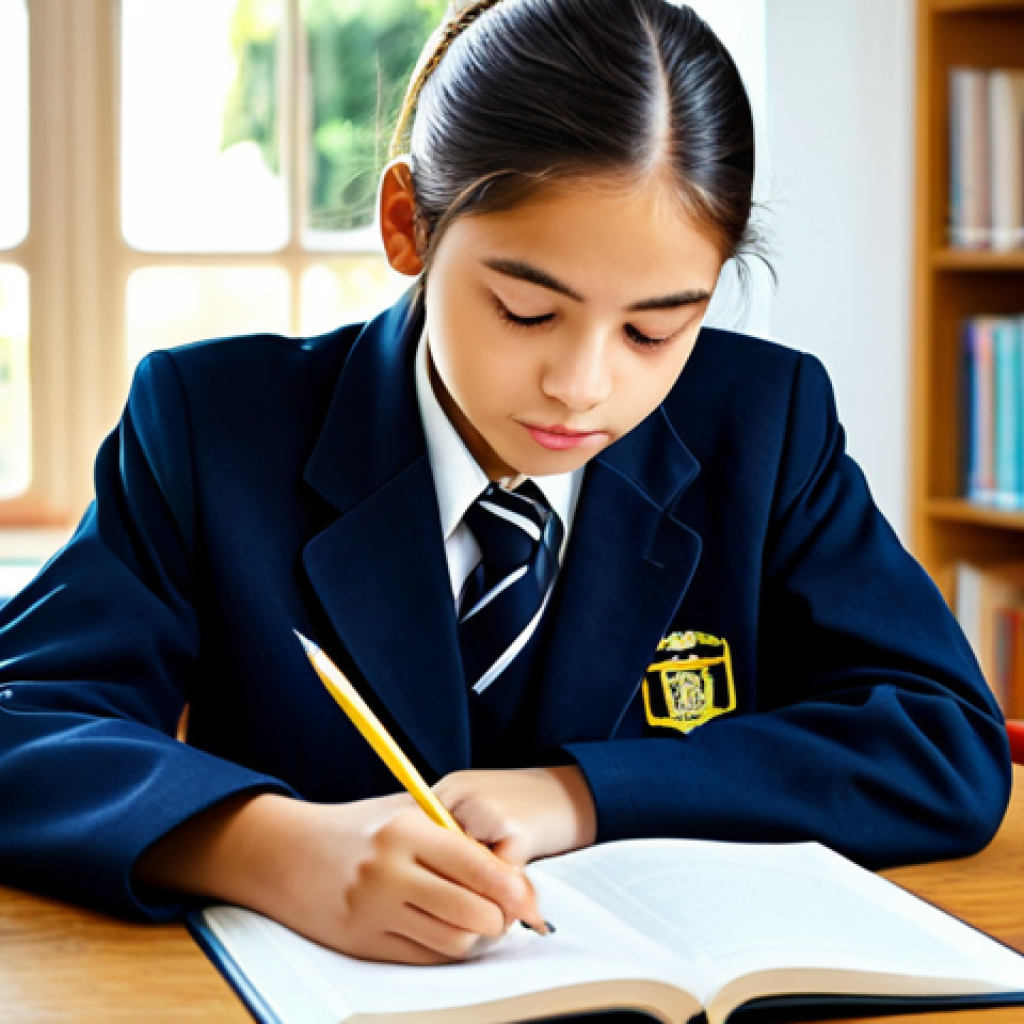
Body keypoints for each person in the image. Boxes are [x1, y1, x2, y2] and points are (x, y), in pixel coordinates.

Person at [0, 0, 1011, 968]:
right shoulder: (211, 426)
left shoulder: (763, 424)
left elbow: (938, 739)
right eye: (527, 311)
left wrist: (580, 795)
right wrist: (271, 849)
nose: (583, 385)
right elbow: (22, 717)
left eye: (655, 330)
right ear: (407, 224)